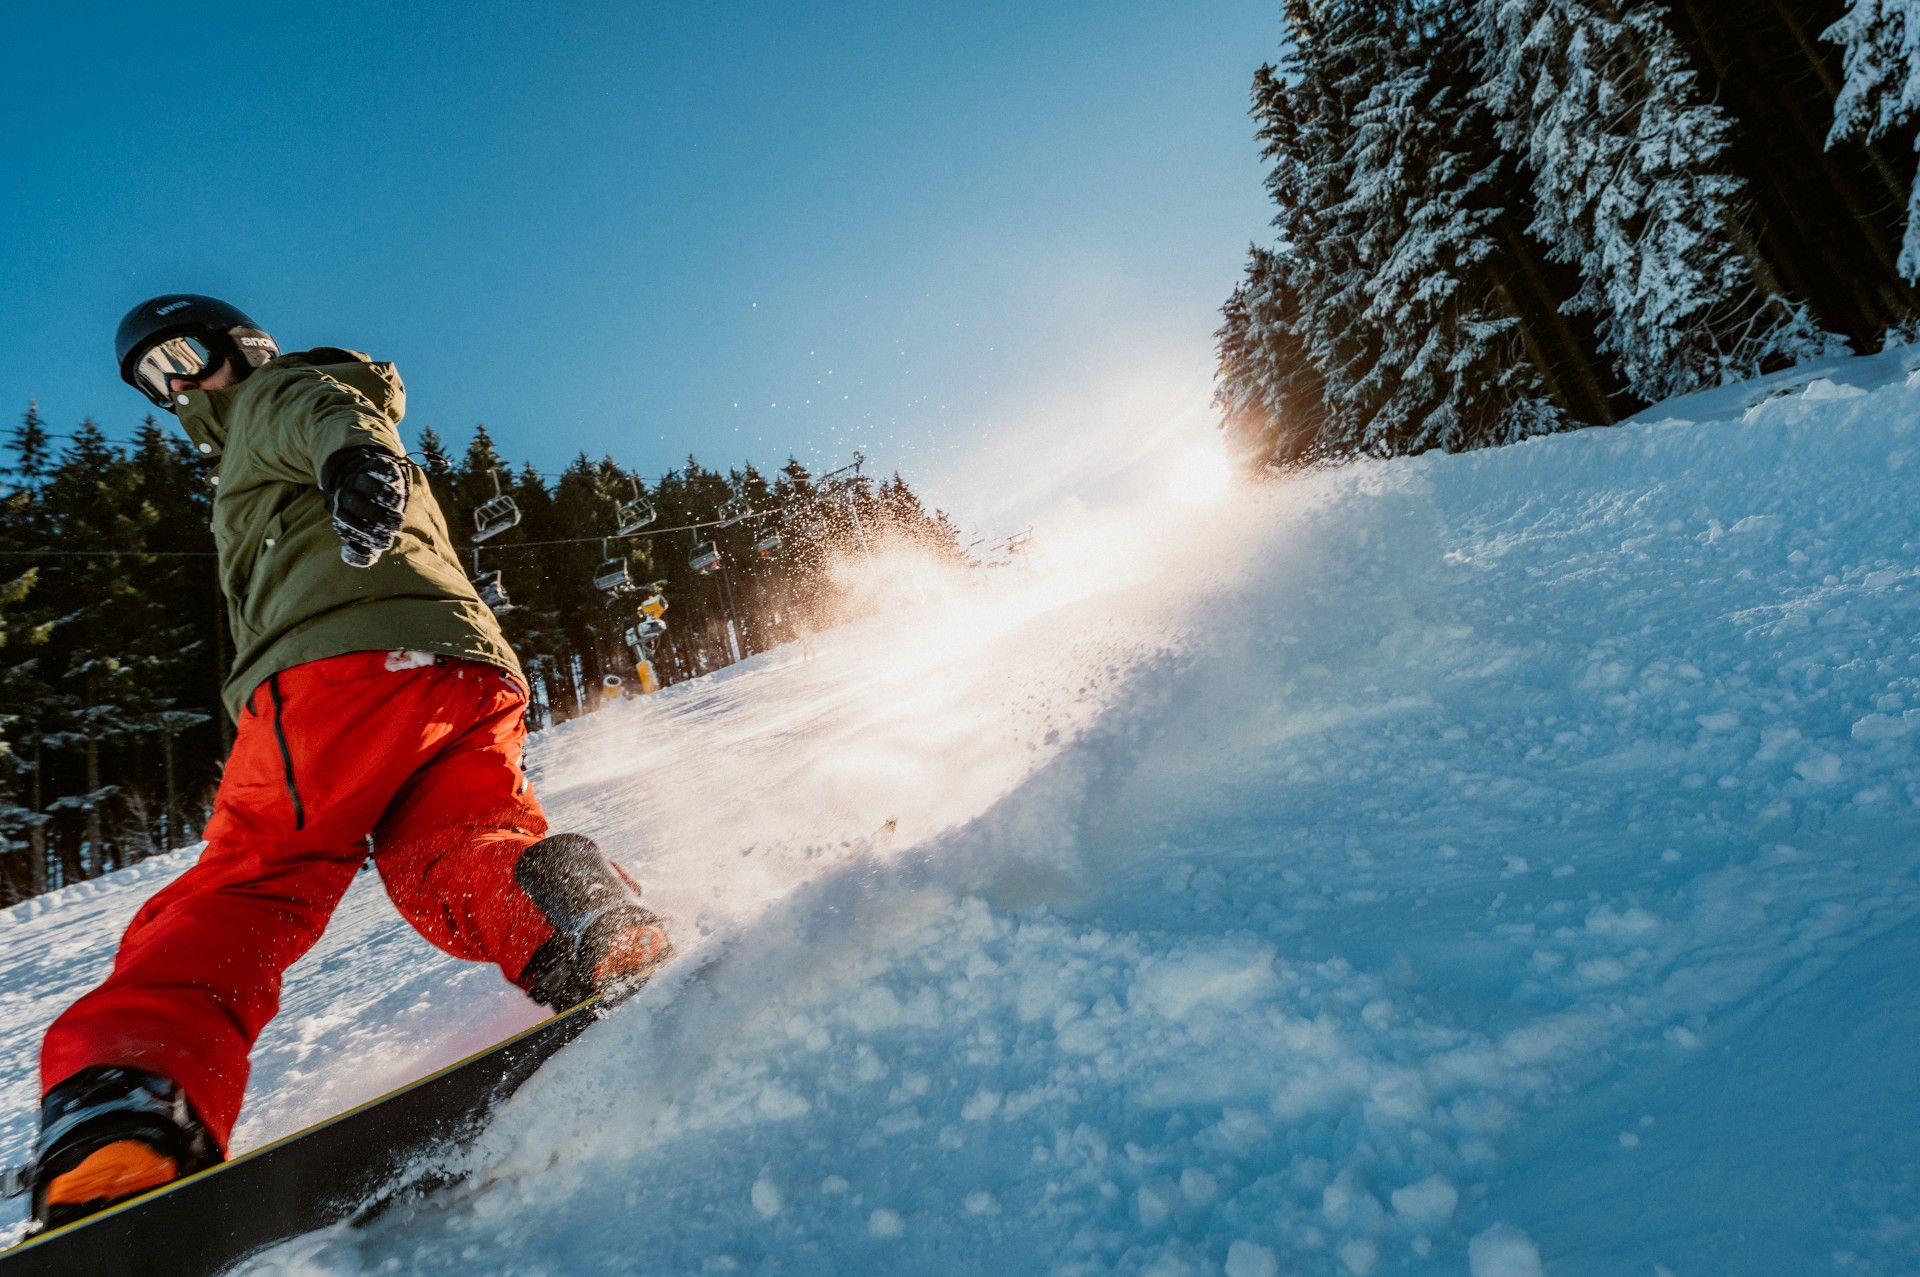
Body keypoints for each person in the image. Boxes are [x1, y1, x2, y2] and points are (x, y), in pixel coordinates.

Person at [27, 295, 673, 1230]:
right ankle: (583, 919)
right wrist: (355, 462)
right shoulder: (290, 416)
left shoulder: (275, 394)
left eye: (183, 357)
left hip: (336, 671)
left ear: (243, 346)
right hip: (459, 670)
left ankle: (126, 1105)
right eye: (155, 381)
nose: (179, 388)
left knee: (254, 883)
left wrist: (356, 460)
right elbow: (341, 419)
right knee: (453, 854)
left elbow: (326, 414)